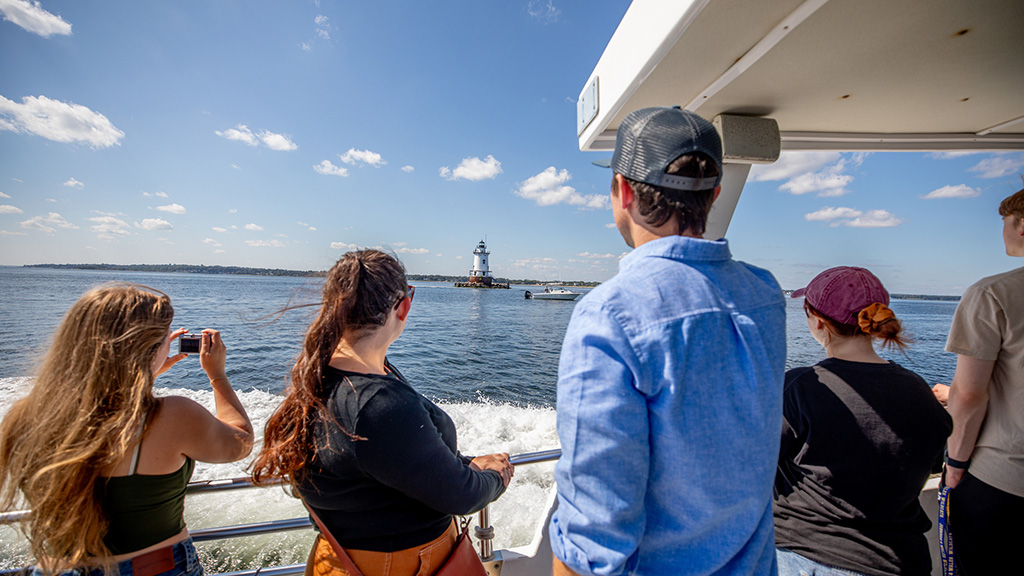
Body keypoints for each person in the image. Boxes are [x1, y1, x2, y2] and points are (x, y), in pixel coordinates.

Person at [549, 107, 787, 576]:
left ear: (624, 191)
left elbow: (594, 539)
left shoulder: (609, 314)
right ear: (714, 195)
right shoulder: (765, 295)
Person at [251, 249, 513, 576]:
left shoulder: (320, 375)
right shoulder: (377, 403)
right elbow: (460, 496)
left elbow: (392, 459)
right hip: (403, 566)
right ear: (404, 306)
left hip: (337, 560)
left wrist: (464, 464)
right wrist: (496, 475)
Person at [0, 283, 254, 576]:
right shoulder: (172, 416)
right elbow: (240, 441)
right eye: (163, 340)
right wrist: (217, 375)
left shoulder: (25, 416)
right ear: (148, 348)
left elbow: (103, 412)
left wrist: (145, 375)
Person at [774, 267, 952, 576]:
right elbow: (931, 461)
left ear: (817, 321)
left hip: (807, 557)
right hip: (901, 561)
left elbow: (752, 460)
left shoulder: (800, 387)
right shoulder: (919, 390)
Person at [942, 187, 1024, 574]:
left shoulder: (993, 294)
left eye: (1007, 222)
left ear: (1021, 226)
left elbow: (970, 395)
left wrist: (955, 463)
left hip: (1007, 480)